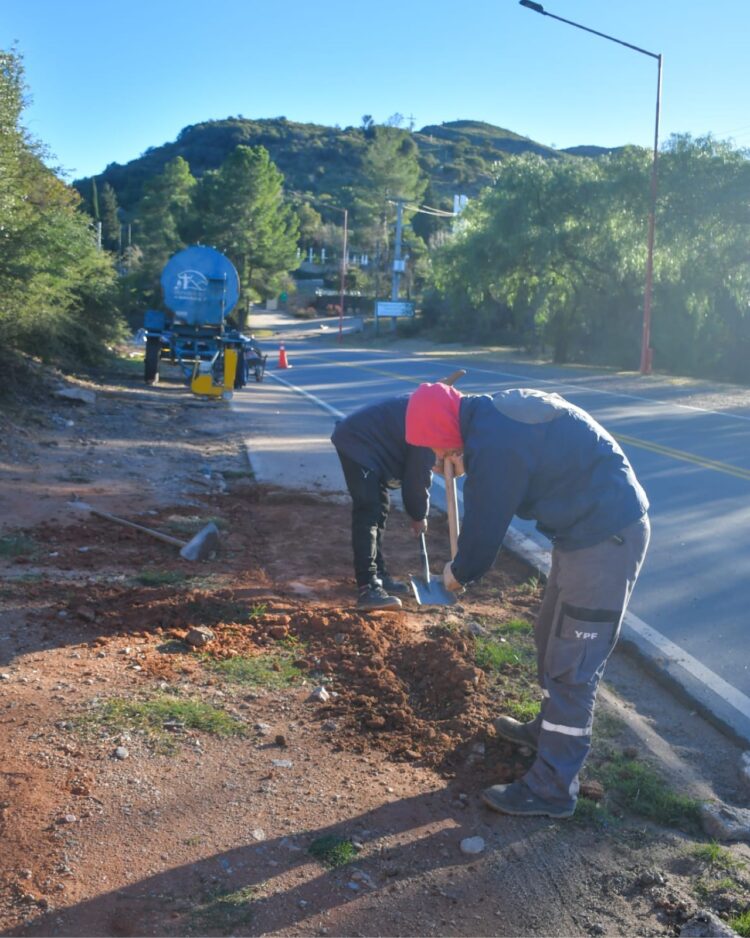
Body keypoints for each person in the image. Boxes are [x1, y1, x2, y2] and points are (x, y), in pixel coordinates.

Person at [405, 382, 650, 819]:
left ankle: (554, 787)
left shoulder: (494, 442)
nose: (435, 458)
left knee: (572, 666)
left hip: (606, 537)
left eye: (433, 447)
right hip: (581, 535)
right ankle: (547, 731)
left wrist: (456, 574)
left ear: (443, 428)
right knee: (548, 636)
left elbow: (485, 527)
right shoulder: (487, 420)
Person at [332, 395, 434, 611]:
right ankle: (368, 587)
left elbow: (417, 470)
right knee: (368, 509)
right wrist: (418, 514)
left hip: (368, 446)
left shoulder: (435, 414)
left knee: (380, 507)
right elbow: (417, 477)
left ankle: (378, 574)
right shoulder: (431, 425)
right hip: (356, 442)